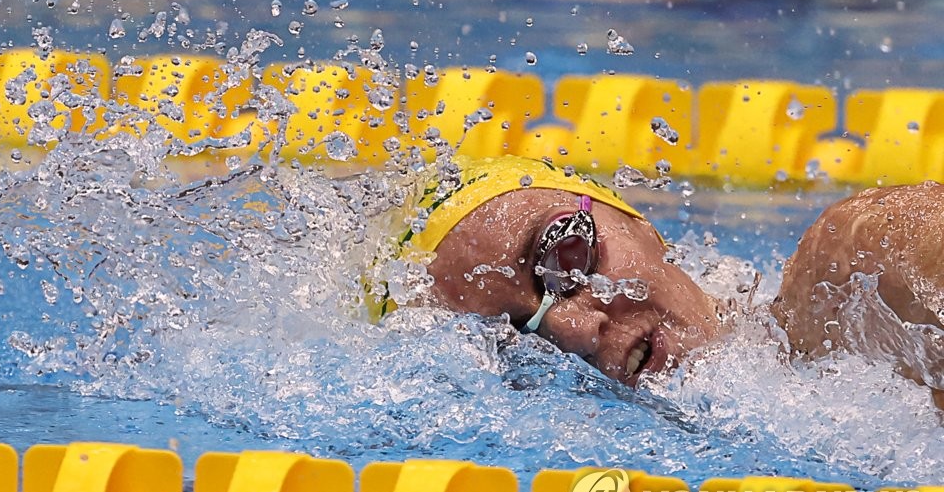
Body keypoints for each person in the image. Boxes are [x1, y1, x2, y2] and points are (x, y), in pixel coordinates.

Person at [392, 154, 944, 407]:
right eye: (511, 338)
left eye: (562, 257)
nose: (577, 329)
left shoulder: (855, 276)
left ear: (635, 219)